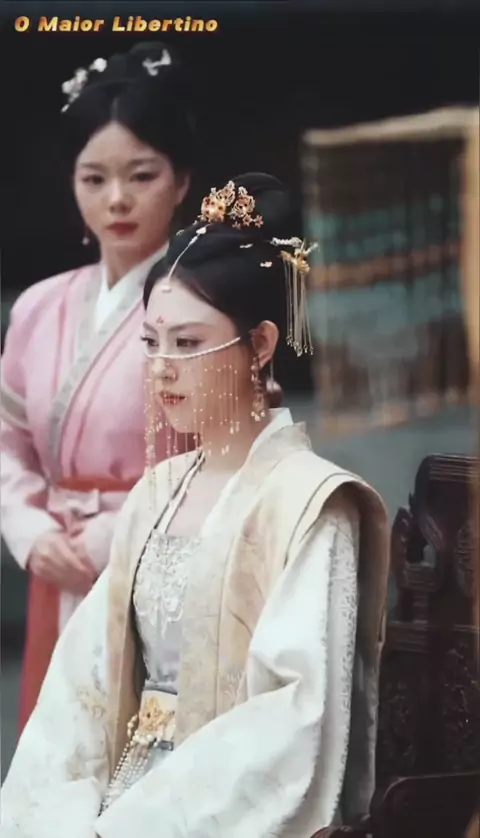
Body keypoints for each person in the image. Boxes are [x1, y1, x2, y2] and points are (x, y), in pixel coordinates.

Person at [0, 173, 391, 838]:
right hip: (116, 803)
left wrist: (135, 825)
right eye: (151, 341)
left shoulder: (311, 505)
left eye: (186, 343)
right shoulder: (158, 491)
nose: (161, 367)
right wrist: (57, 816)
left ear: (260, 345)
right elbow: (81, 688)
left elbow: (292, 720)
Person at [0, 41, 197, 731]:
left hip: (161, 572)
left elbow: (220, 459)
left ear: (181, 180)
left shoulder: (208, 309)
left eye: (142, 175)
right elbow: (8, 443)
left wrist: (104, 541)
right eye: (94, 178)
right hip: (55, 567)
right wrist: (30, 532)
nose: (117, 199)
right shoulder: (39, 306)